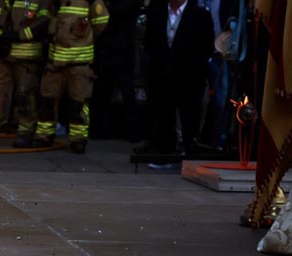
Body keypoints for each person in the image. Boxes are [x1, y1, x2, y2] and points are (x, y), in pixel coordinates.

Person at [0, 0, 53, 147]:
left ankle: (26, 133)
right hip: (4, 55)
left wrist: (18, 36)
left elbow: (43, 24)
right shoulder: (6, 0)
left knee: (26, 96)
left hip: (27, 57)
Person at [141, 0, 215, 156]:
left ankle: (190, 148)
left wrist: (194, 66)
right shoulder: (157, 12)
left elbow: (207, 46)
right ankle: (164, 149)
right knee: (163, 114)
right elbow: (149, 43)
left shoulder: (201, 14)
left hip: (189, 76)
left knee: (189, 115)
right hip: (161, 74)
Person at [33, 0, 109, 153]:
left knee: (78, 104)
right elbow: (45, 21)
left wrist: (86, 39)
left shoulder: (91, 1)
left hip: (79, 63)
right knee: (48, 100)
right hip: (54, 62)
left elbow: (101, 23)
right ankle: (44, 135)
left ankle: (78, 139)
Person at [90, 0, 141, 140]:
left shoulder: (126, 5)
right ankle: (105, 129)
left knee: (125, 93)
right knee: (105, 93)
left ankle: (133, 131)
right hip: (109, 51)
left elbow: (118, 11)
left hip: (121, 51)